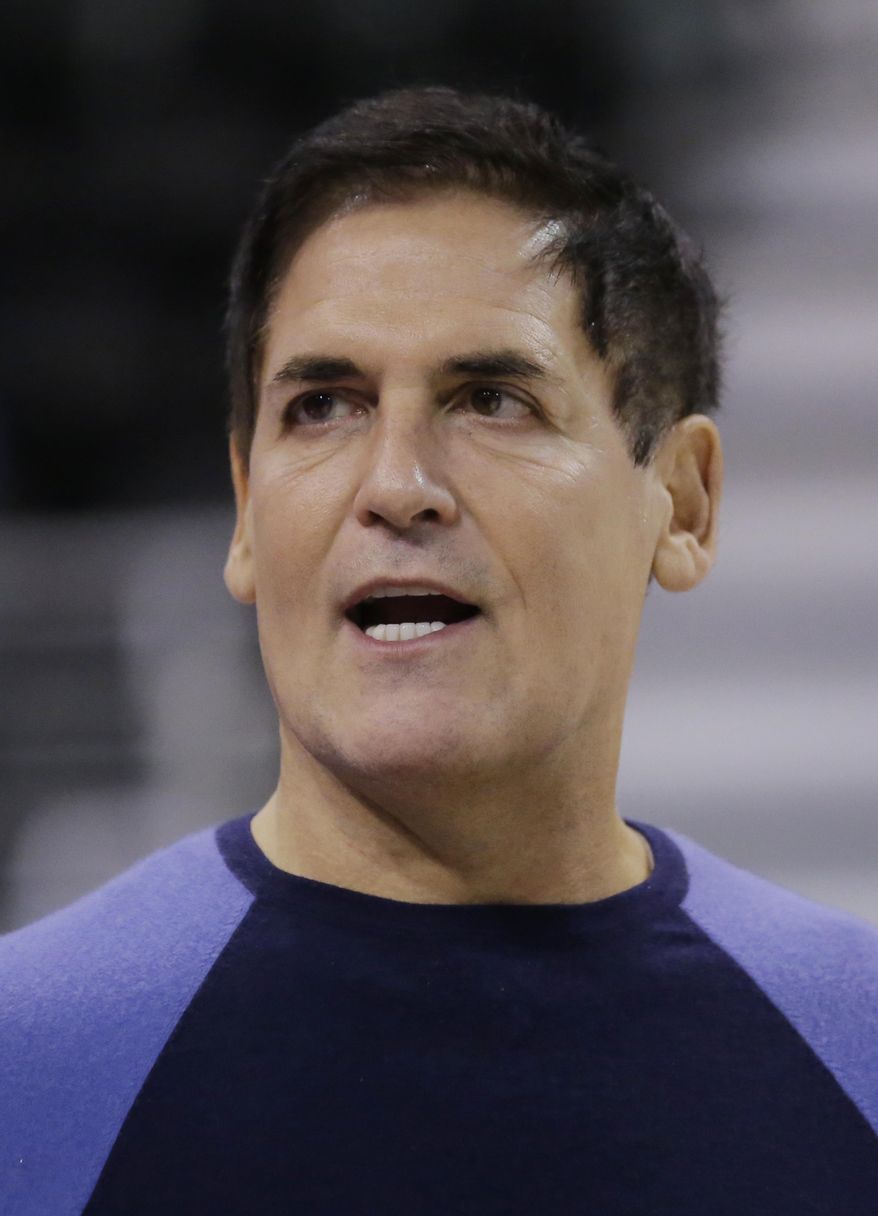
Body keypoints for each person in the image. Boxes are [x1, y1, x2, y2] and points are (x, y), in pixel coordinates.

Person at [2, 87, 876, 1215]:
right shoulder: (29, 1066)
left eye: (492, 400)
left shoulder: (854, 1050)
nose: (396, 486)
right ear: (241, 510)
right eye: (322, 405)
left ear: (682, 501)